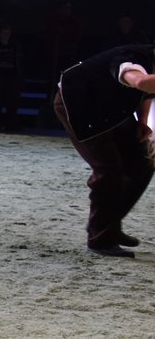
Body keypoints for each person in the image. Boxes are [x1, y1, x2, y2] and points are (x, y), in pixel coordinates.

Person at [51, 43, 155, 257]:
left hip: (109, 108)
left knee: (142, 162)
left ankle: (111, 225)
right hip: (78, 104)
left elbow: (146, 93)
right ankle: (100, 239)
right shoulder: (129, 58)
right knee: (109, 170)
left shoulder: (149, 61)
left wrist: (142, 121)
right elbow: (142, 82)